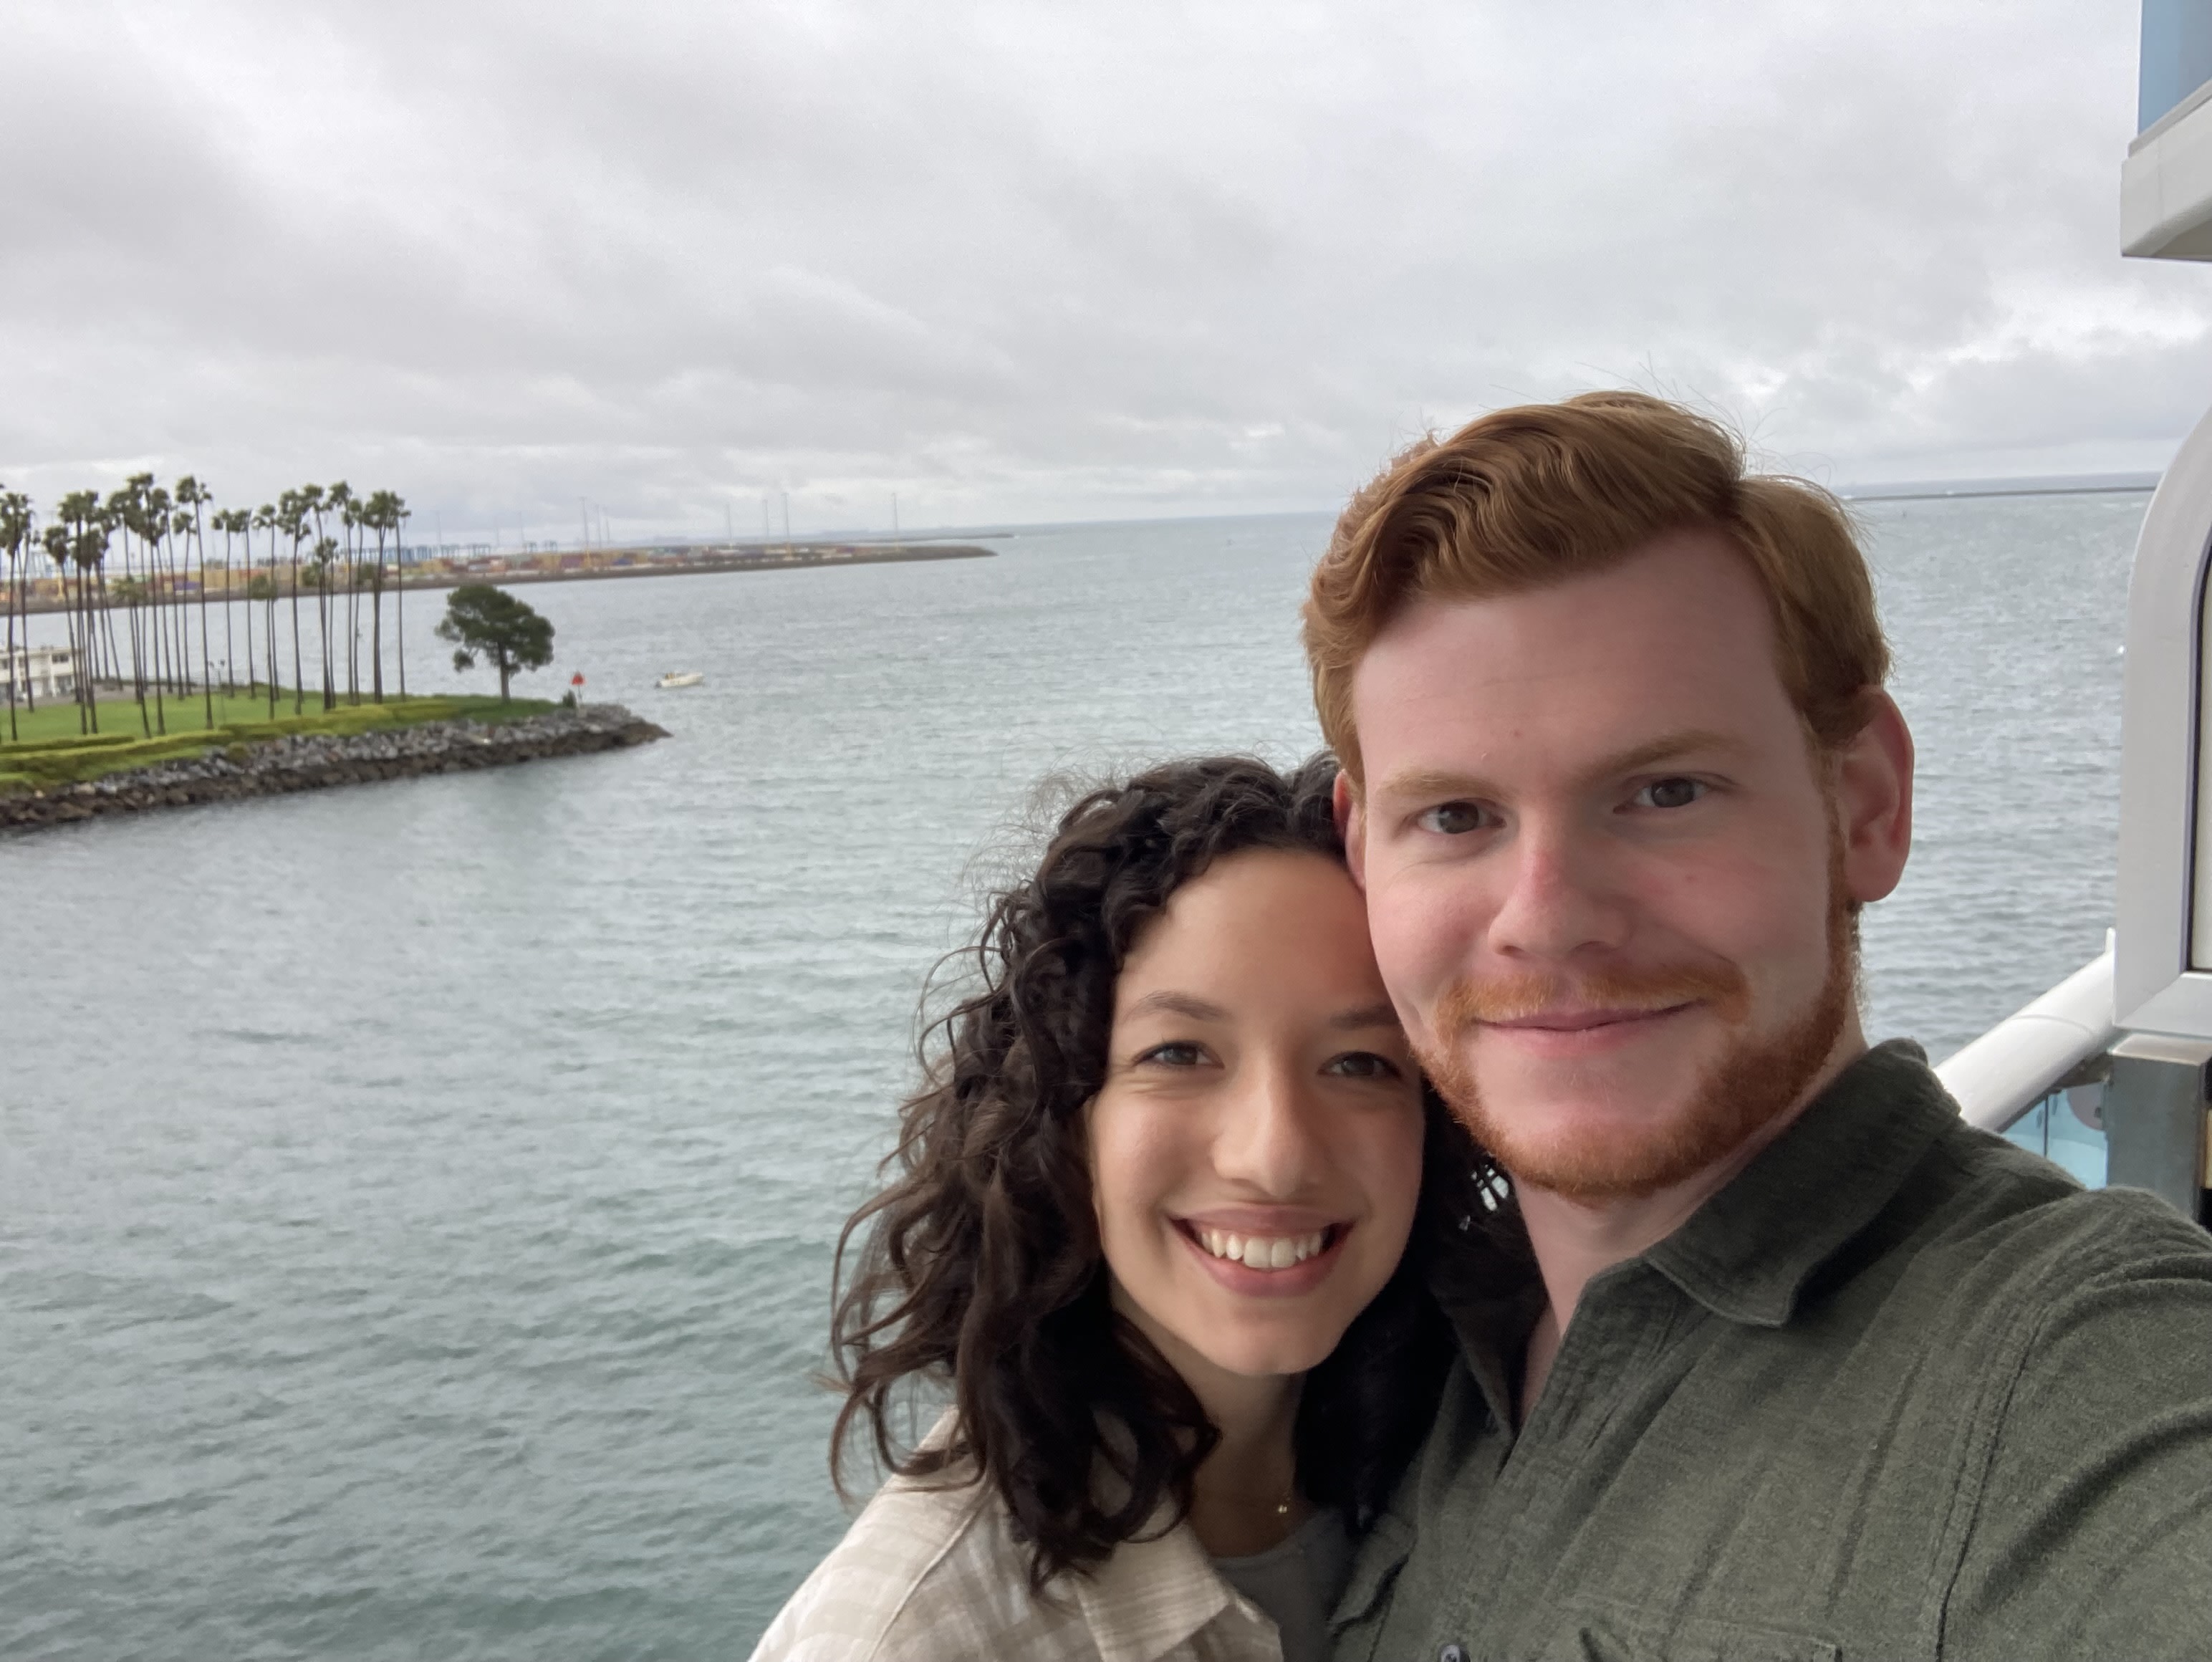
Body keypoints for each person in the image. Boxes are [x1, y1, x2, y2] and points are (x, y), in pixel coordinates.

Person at [1304, 390, 2212, 1661]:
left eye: (1665, 791)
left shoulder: (2071, 1370)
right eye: (1454, 817)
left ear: (1865, 806)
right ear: (1363, 855)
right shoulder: (1388, 1338)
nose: (1546, 919)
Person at [751, 756, 1500, 1662]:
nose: (1275, 1155)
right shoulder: (912, 1638)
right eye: (1179, 1053)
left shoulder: (1471, 1454)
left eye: (1358, 1063)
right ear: (1059, 1115)